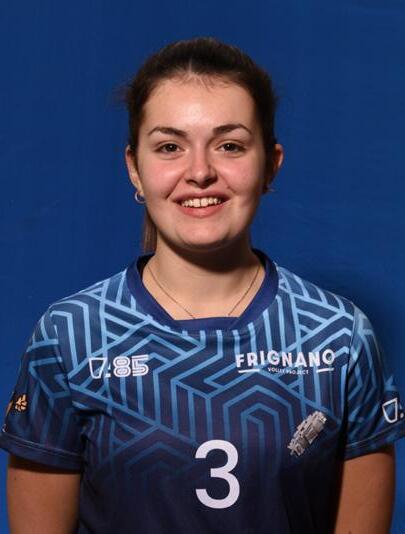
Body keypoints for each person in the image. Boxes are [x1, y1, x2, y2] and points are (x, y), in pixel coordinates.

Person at [1, 37, 405, 534]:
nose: (199, 173)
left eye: (229, 145)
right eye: (170, 147)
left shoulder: (339, 336)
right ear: (135, 168)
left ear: (270, 164)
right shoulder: (71, 336)